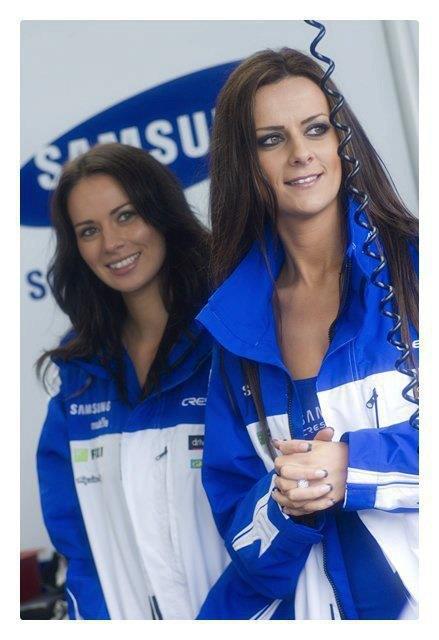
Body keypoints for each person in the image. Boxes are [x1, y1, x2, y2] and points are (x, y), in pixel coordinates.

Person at [196, 48, 419, 620]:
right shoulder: (232, 332)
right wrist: (285, 505)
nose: (301, 154)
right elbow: (245, 546)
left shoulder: (420, 271)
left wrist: (355, 468)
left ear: (342, 140)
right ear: (246, 165)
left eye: (316, 129)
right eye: (272, 140)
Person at [36, 143, 229, 620]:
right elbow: (79, 546)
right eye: (89, 230)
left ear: (160, 212)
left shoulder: (232, 337)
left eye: (126, 216)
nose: (111, 243)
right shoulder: (82, 375)